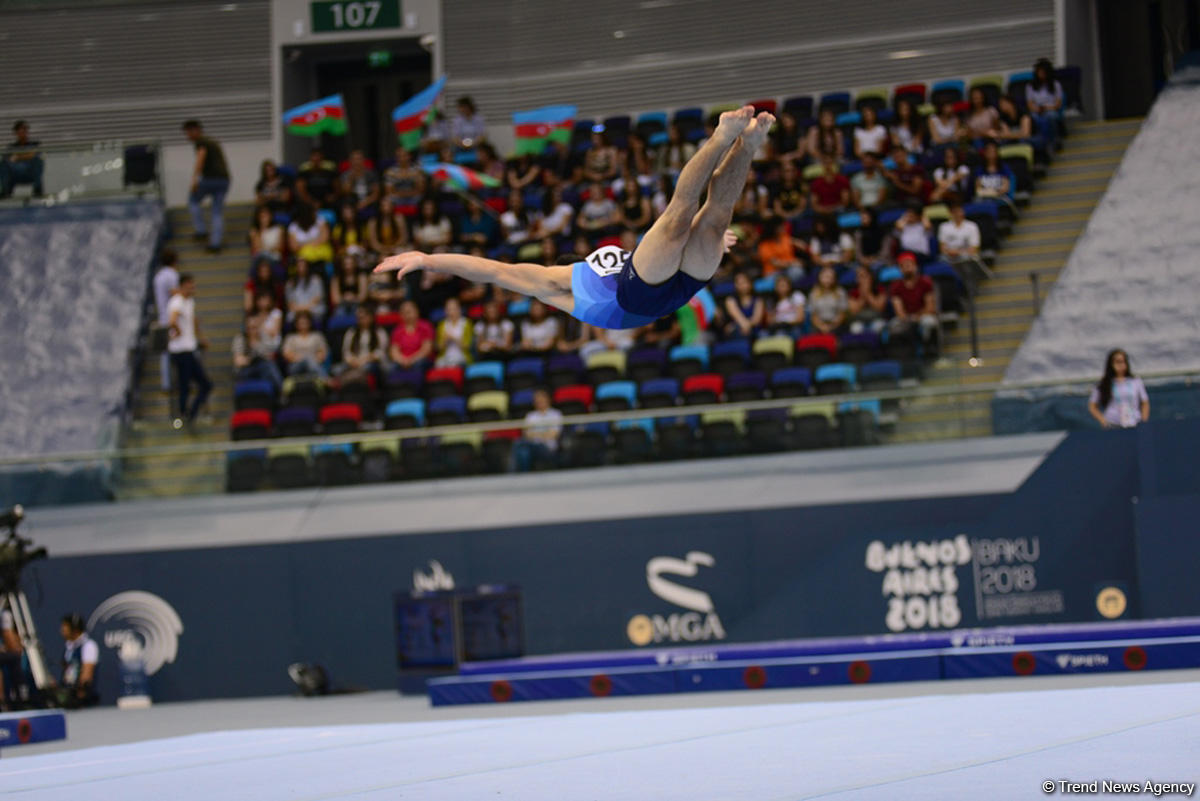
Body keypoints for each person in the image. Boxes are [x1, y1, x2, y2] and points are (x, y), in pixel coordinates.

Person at [374, 106, 775, 332]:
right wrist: (427, 260)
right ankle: (739, 143)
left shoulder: (586, 273)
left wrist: (428, 259)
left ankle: (740, 139)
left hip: (653, 288)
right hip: (642, 296)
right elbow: (491, 270)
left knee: (702, 219)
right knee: (696, 219)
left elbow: (493, 270)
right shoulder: (558, 285)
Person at [166, 273, 212, 429]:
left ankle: (189, 414)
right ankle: (184, 415)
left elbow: (193, 321)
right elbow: (172, 320)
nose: (193, 288)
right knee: (186, 384)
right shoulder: (176, 302)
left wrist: (201, 338)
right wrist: (177, 331)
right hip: (180, 351)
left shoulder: (189, 302)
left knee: (204, 385)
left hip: (189, 348)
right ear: (183, 285)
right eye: (190, 285)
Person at [182, 120, 230, 253]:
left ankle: (201, 230)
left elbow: (200, 158)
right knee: (216, 211)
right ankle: (215, 244)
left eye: (188, 132)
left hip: (210, 179)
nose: (187, 136)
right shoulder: (212, 141)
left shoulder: (201, 142)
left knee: (193, 200)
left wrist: (195, 180)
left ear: (195, 130)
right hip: (224, 180)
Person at [1088, 349, 1149, 429]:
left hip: (1134, 423)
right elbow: (1092, 405)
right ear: (1111, 364)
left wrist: (1144, 421)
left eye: (1123, 361)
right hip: (1113, 424)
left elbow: (1145, 402)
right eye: (1117, 362)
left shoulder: (1135, 381)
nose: (1121, 365)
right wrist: (1103, 420)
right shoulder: (1104, 383)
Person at [888, 252, 938, 346]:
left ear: (916, 266)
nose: (907, 268)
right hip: (905, 317)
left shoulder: (925, 282)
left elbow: (930, 307)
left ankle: (929, 349)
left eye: (909, 265)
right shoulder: (896, 286)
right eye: (904, 266)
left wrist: (917, 317)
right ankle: (903, 352)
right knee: (893, 326)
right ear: (900, 269)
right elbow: (899, 310)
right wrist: (908, 318)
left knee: (929, 322)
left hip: (923, 315)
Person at [55, 614, 98, 709]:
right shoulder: (69, 647)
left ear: (74, 629)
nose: (62, 630)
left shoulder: (89, 646)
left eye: (65, 627)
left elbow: (87, 674)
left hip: (83, 701)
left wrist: (80, 694)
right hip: (69, 697)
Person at [153, 247, 181, 392]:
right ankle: (178, 381)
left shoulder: (158, 276)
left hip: (162, 317)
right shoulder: (172, 275)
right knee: (178, 349)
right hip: (171, 318)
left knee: (165, 353)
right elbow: (175, 293)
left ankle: (166, 383)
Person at [337, 305, 387, 384]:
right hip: (353, 362)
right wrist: (351, 360)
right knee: (336, 369)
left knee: (369, 368)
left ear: (371, 317)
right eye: (359, 317)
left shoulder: (379, 332)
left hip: (370, 363)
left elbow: (380, 353)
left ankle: (352, 382)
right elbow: (346, 351)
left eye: (363, 317)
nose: (361, 319)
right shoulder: (351, 332)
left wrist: (363, 360)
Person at [514, 388, 562, 472]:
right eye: (537, 400)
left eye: (541, 399)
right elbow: (527, 434)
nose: (539, 402)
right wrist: (543, 434)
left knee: (519, 444)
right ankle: (524, 476)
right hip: (532, 446)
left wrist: (535, 435)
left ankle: (514, 474)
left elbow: (554, 434)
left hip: (548, 448)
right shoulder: (530, 416)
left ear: (548, 400)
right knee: (523, 452)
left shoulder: (555, 414)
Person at [231, 315, 283, 391]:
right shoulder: (240, 339)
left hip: (263, 368)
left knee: (267, 367)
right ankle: (281, 390)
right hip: (245, 371)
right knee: (265, 366)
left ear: (259, 327)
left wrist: (256, 345)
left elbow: (270, 356)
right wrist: (253, 359)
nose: (252, 331)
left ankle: (275, 394)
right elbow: (238, 361)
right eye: (249, 328)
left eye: (254, 327)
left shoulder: (264, 337)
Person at [1026, 59, 1064, 149]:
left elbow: (1058, 104)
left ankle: (1054, 141)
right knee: (1034, 118)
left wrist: (1046, 108)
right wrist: (1037, 109)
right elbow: (1030, 104)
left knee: (1050, 116)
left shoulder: (1056, 85)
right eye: (1039, 72)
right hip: (1037, 110)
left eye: (1043, 72)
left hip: (1051, 109)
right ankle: (1043, 143)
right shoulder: (1030, 86)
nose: (1041, 74)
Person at [1, 120, 44, 198]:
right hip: (15, 173)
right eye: (21, 129)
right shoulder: (11, 147)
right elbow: (8, 159)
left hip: (30, 172)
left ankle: (37, 189)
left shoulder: (35, 144)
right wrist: (26, 156)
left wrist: (18, 157)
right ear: (16, 132)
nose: (24, 131)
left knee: (37, 160)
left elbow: (34, 155)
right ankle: (6, 190)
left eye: (25, 129)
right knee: (3, 164)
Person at [388, 300, 435, 370]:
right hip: (403, 361)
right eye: (403, 313)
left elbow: (426, 349)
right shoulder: (398, 330)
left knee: (418, 365)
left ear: (416, 312)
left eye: (409, 312)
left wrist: (411, 360)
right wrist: (402, 360)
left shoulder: (425, 327)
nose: (406, 315)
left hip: (421, 359)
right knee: (391, 367)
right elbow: (394, 351)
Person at [281, 310, 329, 377]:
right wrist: (303, 360)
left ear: (310, 323)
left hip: (315, 364)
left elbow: (323, 352)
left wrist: (313, 360)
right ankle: (326, 379)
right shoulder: (290, 338)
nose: (303, 325)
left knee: (310, 363)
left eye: (305, 322)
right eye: (301, 323)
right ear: (296, 324)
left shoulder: (317, 336)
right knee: (307, 361)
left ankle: (323, 378)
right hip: (295, 366)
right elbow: (287, 354)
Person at [382, 147, 426, 214]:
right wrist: (403, 194)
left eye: (404, 156)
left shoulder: (417, 170)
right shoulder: (390, 172)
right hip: (397, 199)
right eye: (399, 156)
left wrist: (407, 194)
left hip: (413, 198)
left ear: (409, 156)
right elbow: (388, 191)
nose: (402, 158)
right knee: (387, 200)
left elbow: (420, 189)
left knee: (423, 200)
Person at [847, 263, 888, 334]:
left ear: (871, 277)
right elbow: (854, 311)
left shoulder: (880, 289)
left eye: (864, 276)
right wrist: (863, 295)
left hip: (876, 319)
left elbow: (879, 308)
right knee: (855, 329)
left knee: (878, 327)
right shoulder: (853, 291)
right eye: (859, 276)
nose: (862, 279)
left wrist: (868, 293)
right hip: (859, 320)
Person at [808, 265, 849, 334]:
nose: (828, 279)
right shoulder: (814, 293)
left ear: (834, 278)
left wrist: (832, 326)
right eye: (825, 277)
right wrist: (821, 327)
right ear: (819, 277)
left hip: (836, 324)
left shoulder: (840, 292)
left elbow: (842, 313)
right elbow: (813, 314)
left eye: (830, 277)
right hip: (819, 324)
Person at [723, 272, 765, 338]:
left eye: (744, 282)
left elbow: (756, 320)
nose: (742, 286)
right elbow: (738, 317)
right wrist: (743, 325)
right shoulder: (730, 300)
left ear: (750, 283)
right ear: (735, 285)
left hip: (754, 329)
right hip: (738, 329)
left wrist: (745, 325)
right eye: (739, 283)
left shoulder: (758, 300)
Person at [286, 258, 327, 325]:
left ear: (308, 267)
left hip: (312, 308)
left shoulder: (316, 280)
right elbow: (290, 303)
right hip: (296, 309)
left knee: (320, 310)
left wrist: (305, 308)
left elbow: (317, 299)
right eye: (299, 266)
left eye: (303, 266)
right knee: (289, 317)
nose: (301, 269)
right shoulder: (290, 283)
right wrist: (300, 309)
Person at [338, 149, 380, 215]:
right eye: (354, 159)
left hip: (368, 201)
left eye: (359, 159)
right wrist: (351, 178)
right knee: (347, 209)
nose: (356, 162)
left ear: (363, 160)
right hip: (352, 202)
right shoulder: (345, 175)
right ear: (350, 161)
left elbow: (376, 193)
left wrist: (364, 203)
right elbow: (345, 192)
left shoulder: (371, 174)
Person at [435, 298, 473, 367]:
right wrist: (445, 340)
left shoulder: (466, 323)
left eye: (454, 309)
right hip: (445, 357)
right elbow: (439, 348)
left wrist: (454, 338)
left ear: (459, 309)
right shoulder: (442, 325)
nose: (451, 312)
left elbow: (468, 346)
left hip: (462, 356)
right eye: (448, 309)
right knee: (439, 364)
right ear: (445, 311)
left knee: (454, 364)